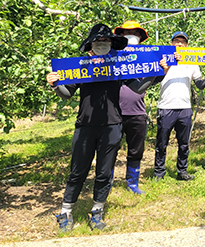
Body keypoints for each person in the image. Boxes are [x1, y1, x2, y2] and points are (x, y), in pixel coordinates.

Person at [46, 23, 159, 232]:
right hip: (85, 126)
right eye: (99, 41)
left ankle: (97, 211)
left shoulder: (118, 66)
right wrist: (55, 84)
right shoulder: (81, 66)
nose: (103, 44)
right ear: (91, 44)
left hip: (112, 126)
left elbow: (137, 87)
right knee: (77, 171)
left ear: (112, 44)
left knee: (104, 172)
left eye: (107, 41)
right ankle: (66, 212)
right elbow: (67, 93)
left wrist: (157, 72)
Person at [153, 31, 205, 181]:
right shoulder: (163, 59)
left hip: (184, 108)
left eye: (182, 41)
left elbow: (200, 85)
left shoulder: (192, 63)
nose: (179, 43)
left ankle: (182, 171)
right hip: (166, 107)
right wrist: (168, 65)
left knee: (184, 143)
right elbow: (155, 79)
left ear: (187, 45)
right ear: (171, 44)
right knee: (161, 143)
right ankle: (159, 173)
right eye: (176, 41)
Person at [113, 20, 151, 194]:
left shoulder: (145, 58)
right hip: (114, 113)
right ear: (118, 36)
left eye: (136, 33)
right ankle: (107, 181)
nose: (131, 36)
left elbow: (151, 80)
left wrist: (164, 70)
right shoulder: (110, 57)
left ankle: (132, 182)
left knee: (136, 149)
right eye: (127, 33)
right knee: (110, 149)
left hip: (137, 112)